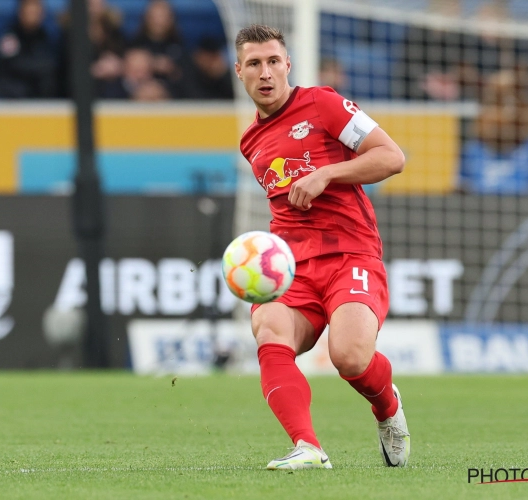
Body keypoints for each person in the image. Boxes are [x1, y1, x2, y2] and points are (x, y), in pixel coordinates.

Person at [234, 24, 409, 470]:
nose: (266, 72)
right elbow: (285, 207)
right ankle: (308, 447)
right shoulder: (250, 141)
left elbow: (392, 157)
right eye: (255, 64)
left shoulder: (324, 105)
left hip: (350, 253)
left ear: (288, 64)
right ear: (240, 72)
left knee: (348, 358)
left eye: (273, 61)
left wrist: (327, 173)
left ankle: (387, 407)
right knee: (270, 332)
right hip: (293, 265)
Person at [459, 69, 528, 195]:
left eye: (513, 100)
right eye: (500, 102)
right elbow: (460, 186)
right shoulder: (475, 149)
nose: (509, 109)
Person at [0, 0, 57, 98]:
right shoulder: (9, 35)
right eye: (30, 12)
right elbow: (10, 65)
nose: (33, 15)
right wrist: (39, 67)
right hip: (14, 98)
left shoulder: (47, 36)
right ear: (21, 12)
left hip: (42, 96)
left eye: (36, 12)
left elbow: (52, 64)